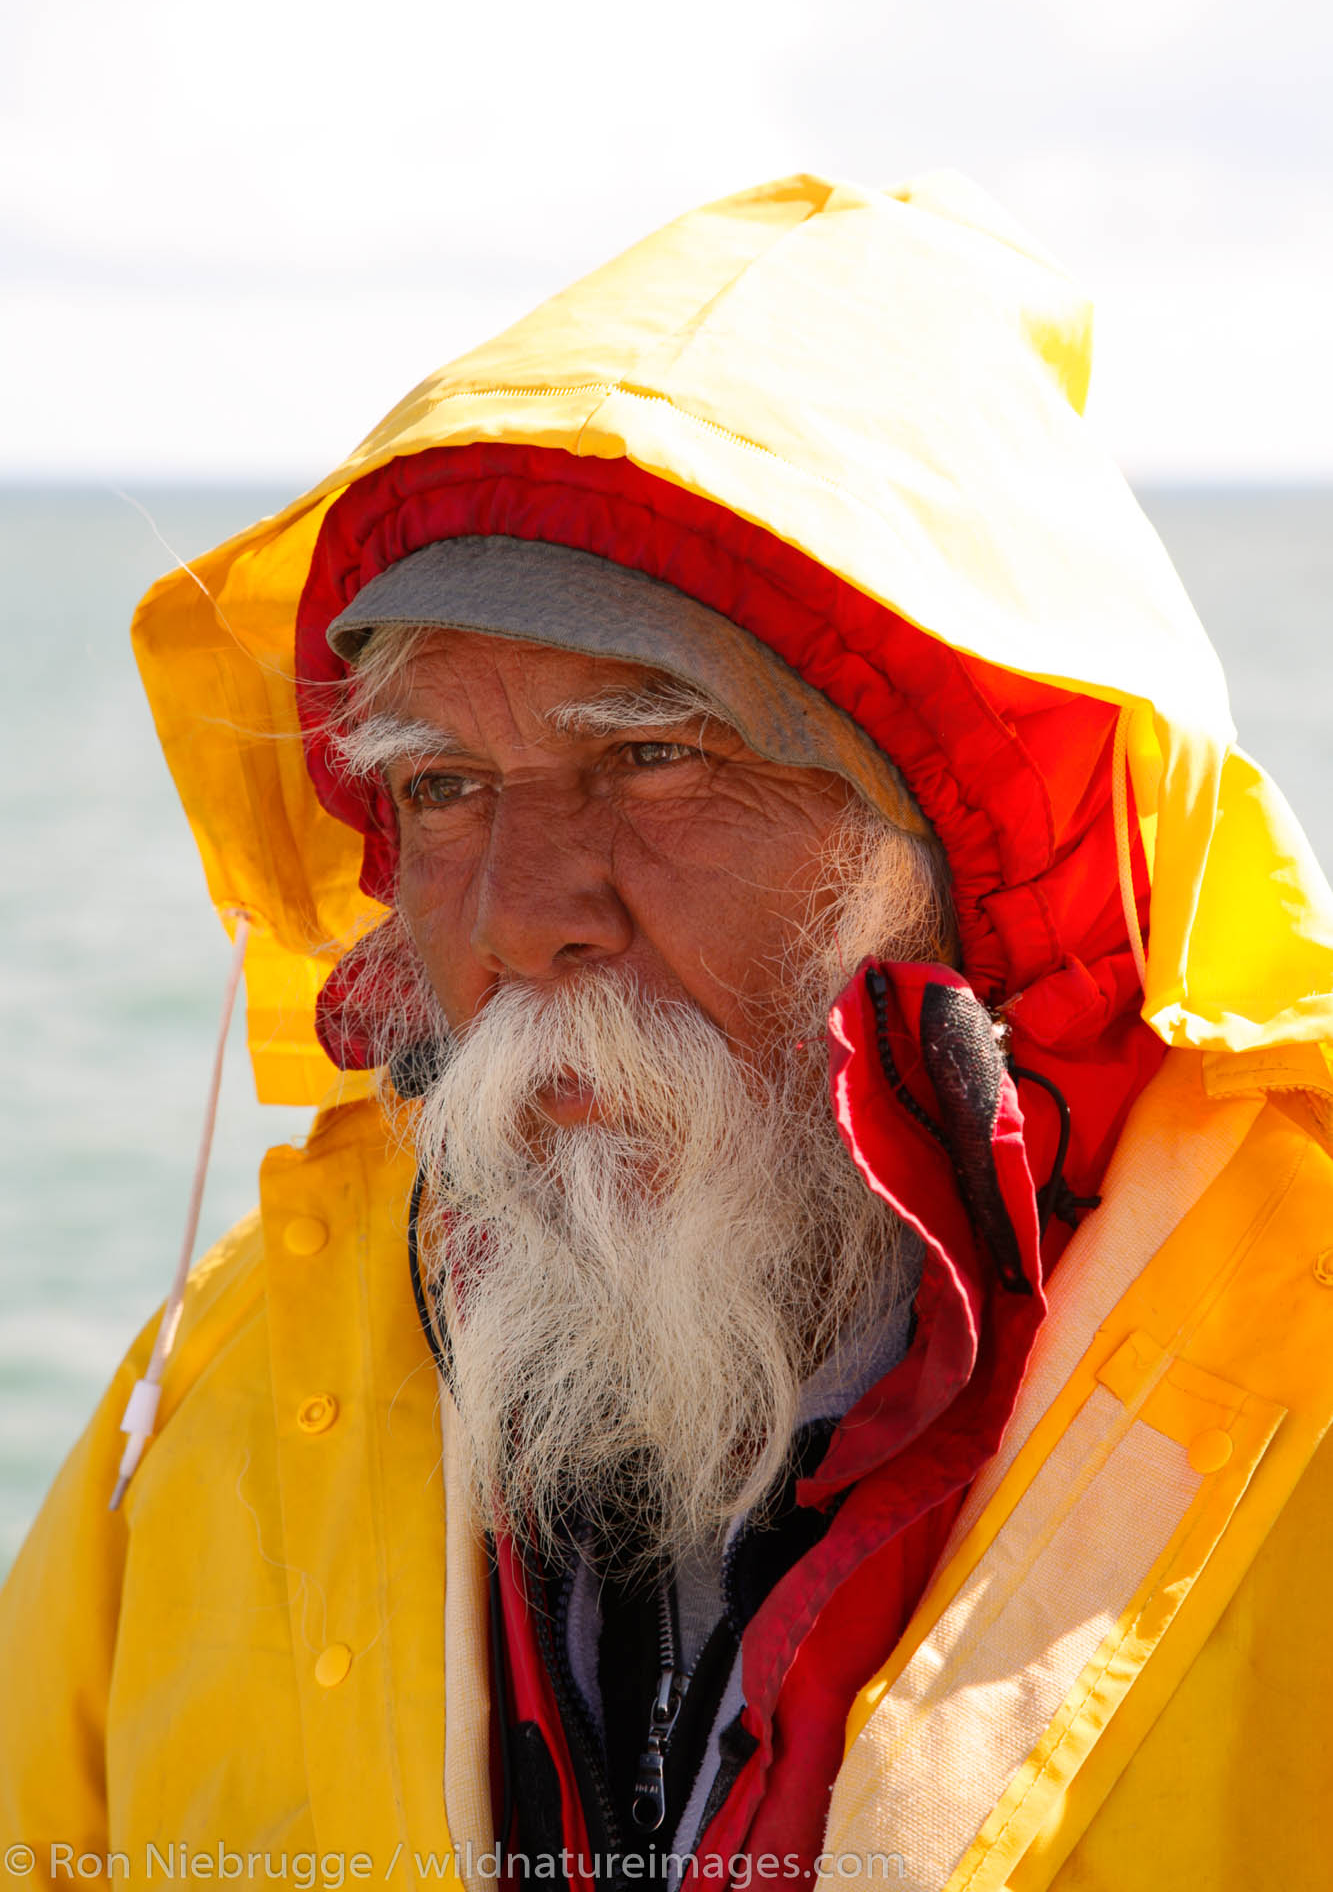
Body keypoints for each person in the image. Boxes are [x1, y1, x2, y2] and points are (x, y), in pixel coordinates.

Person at [2, 170, 1332, 1892]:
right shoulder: (229, 1382)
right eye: (447, 789)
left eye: (657, 755)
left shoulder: (1288, 1362)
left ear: (963, 841)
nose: (516, 916)